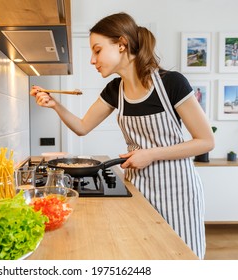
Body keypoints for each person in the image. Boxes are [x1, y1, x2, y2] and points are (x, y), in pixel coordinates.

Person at [30, 12, 214, 259]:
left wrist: (150, 154)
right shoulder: (115, 89)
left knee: (181, 259)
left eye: (97, 50)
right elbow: (83, 127)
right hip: (139, 186)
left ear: (122, 44)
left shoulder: (172, 83)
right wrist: (55, 105)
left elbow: (206, 141)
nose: (92, 60)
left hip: (177, 191)